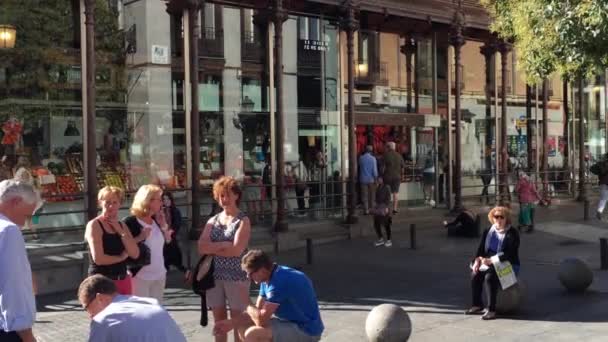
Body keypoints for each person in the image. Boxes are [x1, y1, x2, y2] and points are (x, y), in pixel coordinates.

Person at [213, 249, 324, 342]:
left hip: (307, 330)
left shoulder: (280, 282)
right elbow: (256, 312)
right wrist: (231, 323)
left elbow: (260, 320)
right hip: (289, 323)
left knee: (253, 333)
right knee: (242, 326)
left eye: (250, 274)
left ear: (262, 270)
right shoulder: (268, 278)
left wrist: (246, 301)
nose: (248, 278)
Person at [198, 176, 252, 342]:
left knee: (237, 320)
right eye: (221, 195)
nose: (224, 199)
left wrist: (213, 249)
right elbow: (201, 247)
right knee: (219, 321)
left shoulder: (243, 220)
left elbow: (236, 251)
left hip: (237, 275)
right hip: (214, 276)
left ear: (236, 195)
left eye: (227, 195)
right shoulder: (213, 220)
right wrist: (223, 244)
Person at [78, 274, 186, 342]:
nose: (90, 315)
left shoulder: (103, 320)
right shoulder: (150, 302)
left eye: (86, 307)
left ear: (100, 298)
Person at [0, 180, 41, 342]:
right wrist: (26, 333)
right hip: (6, 329)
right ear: (16, 202)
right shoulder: (8, 230)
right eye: (27, 215)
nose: (25, 223)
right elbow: (13, 287)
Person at [466, 206, 520, 320]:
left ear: (506, 219)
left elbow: (509, 254)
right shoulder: (488, 231)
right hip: (489, 262)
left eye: (502, 217)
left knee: (490, 277)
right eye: (496, 217)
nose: (499, 220)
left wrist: (491, 260)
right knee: (475, 274)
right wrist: (477, 261)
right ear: (492, 218)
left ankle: (491, 310)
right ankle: (477, 305)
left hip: (507, 263)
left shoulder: (512, 233)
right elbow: (481, 250)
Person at [85, 186, 140, 295]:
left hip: (122, 278)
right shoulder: (95, 225)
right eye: (107, 202)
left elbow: (135, 253)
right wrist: (120, 258)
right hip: (102, 281)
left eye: (115, 202)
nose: (111, 206)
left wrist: (120, 232)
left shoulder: (122, 225)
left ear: (120, 204)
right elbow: (99, 259)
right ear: (100, 203)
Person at [123, 184, 173, 303]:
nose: (162, 203)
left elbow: (168, 242)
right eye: (159, 200)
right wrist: (140, 237)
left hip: (159, 274)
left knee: (155, 311)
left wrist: (164, 226)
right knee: (141, 313)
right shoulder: (130, 222)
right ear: (148, 201)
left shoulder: (156, 219)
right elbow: (124, 247)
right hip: (140, 276)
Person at [161, 191, 190, 278]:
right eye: (164, 199)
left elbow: (177, 224)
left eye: (168, 199)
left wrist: (170, 232)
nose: (166, 201)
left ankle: (185, 271)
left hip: (171, 237)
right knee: (164, 258)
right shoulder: (159, 211)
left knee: (174, 257)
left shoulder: (175, 211)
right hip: (162, 238)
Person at [382, 142, 406, 214]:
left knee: (387, 193)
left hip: (387, 177)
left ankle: (386, 209)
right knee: (395, 193)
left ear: (388, 147)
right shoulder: (399, 155)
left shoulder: (385, 155)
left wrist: (381, 175)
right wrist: (402, 176)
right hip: (397, 177)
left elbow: (383, 168)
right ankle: (395, 209)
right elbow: (402, 167)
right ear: (394, 147)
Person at [371, 177, 392, 247]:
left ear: (383, 179)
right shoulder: (378, 187)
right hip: (378, 207)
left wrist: (386, 207)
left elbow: (388, 198)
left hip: (385, 207)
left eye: (380, 179)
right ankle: (380, 239)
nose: (378, 180)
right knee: (376, 224)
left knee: (386, 224)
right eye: (377, 179)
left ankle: (389, 240)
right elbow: (376, 198)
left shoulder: (387, 187)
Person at [359, 145, 378, 215]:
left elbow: (359, 167)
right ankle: (371, 209)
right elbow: (374, 171)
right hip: (371, 180)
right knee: (372, 195)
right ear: (371, 151)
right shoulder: (373, 159)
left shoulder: (361, 158)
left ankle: (366, 210)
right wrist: (376, 180)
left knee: (364, 195)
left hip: (363, 179)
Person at [592, 153, 608, 220]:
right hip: (605, 183)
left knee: (603, 199)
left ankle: (599, 211)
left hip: (602, 183)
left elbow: (592, 169)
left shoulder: (601, 164)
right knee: (604, 199)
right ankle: (599, 211)